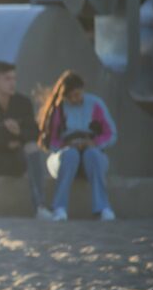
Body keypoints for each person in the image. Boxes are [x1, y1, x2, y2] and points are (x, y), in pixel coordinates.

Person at [0, 61, 51, 221]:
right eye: (7, 79)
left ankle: (40, 207)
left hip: (17, 160)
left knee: (32, 147)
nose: (12, 83)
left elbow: (35, 134)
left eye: (14, 78)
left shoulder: (23, 103)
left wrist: (19, 132)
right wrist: (7, 140)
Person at [37, 71, 117, 221]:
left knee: (93, 155)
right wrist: (67, 145)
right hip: (65, 157)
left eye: (79, 94)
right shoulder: (58, 109)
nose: (76, 99)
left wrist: (93, 143)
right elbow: (50, 141)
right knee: (70, 155)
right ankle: (59, 208)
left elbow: (111, 133)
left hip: (91, 156)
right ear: (65, 96)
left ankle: (103, 207)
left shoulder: (95, 104)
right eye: (72, 96)